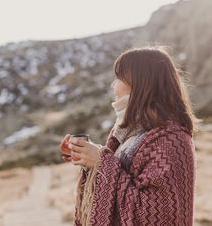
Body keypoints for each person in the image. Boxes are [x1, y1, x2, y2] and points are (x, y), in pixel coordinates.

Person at [60, 46, 198, 226]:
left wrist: (101, 162)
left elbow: (160, 217)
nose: (112, 85)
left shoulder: (171, 139)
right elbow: (120, 173)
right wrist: (89, 160)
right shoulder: (129, 133)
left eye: (118, 77)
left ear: (140, 82)